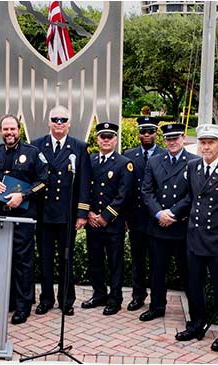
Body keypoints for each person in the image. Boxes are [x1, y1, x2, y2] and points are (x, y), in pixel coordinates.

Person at [176, 124, 218, 352]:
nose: (206, 147)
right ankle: (196, 324)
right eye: (202, 142)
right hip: (194, 237)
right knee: (194, 285)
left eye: (210, 142)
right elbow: (192, 198)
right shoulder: (192, 167)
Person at [0, 114, 48, 325]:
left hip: (23, 216)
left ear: (19, 130)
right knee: (2, 259)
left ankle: (23, 305)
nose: (9, 133)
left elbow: (43, 181)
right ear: (1, 131)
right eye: (5, 129)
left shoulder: (33, 153)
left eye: (13, 129)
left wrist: (24, 195)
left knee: (22, 261)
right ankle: (7, 301)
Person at [31, 105, 91, 316]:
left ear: (69, 123)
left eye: (63, 120)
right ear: (48, 122)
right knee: (45, 259)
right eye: (55, 119)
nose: (59, 123)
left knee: (67, 259)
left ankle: (67, 300)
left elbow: (84, 182)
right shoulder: (37, 145)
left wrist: (82, 214)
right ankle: (46, 299)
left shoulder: (79, 147)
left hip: (67, 215)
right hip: (44, 214)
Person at [140, 122, 198, 321]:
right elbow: (146, 191)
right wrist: (159, 214)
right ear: (164, 140)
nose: (172, 142)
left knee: (188, 272)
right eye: (168, 139)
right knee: (157, 271)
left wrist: (172, 214)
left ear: (183, 138)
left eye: (176, 138)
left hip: (181, 226)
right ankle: (156, 307)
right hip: (158, 227)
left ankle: (196, 312)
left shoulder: (194, 161)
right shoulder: (154, 161)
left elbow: (193, 194)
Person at [83, 122, 133, 315]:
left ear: (115, 139)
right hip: (93, 222)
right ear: (97, 139)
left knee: (115, 263)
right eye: (102, 136)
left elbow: (124, 194)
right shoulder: (91, 161)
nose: (105, 140)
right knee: (95, 261)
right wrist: (88, 214)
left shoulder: (124, 163)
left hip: (113, 224)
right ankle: (99, 295)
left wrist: (105, 217)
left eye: (109, 137)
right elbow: (84, 189)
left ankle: (115, 298)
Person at [122, 116, 165, 311]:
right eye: (143, 132)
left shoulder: (165, 154)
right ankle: (138, 295)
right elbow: (125, 188)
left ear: (156, 133)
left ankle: (158, 300)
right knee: (138, 260)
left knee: (158, 263)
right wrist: (124, 217)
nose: (147, 135)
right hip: (136, 217)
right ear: (138, 134)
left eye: (150, 132)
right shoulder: (128, 154)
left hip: (156, 218)